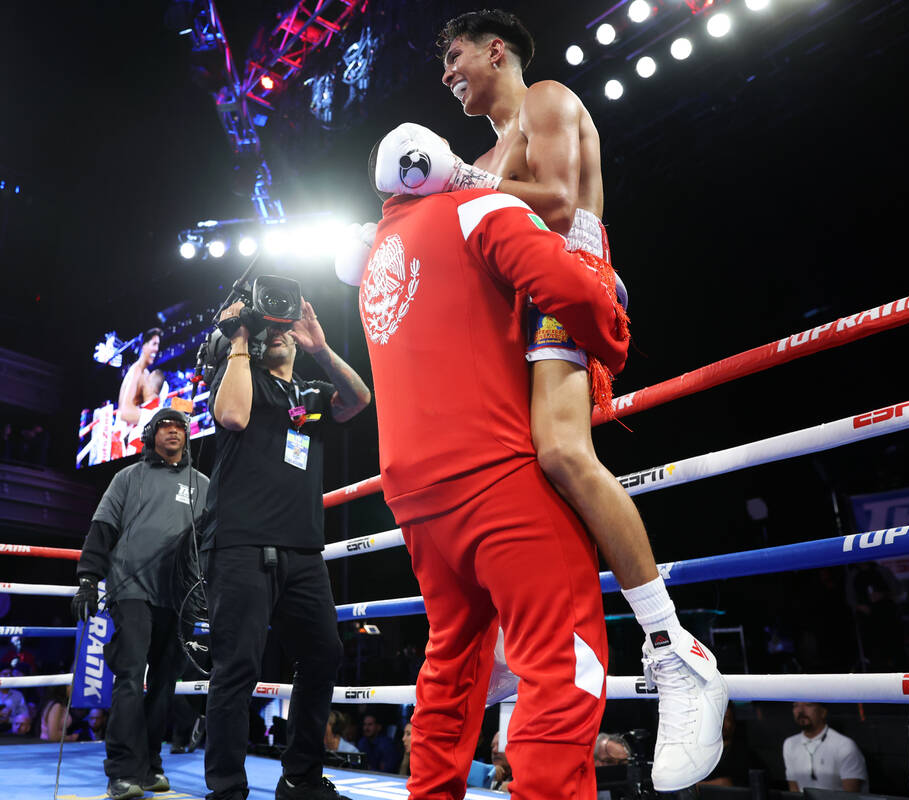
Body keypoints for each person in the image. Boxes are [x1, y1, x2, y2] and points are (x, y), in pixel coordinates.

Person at [360, 9, 726, 790]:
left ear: (498, 50)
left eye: (457, 57)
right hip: (518, 301)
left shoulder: (548, 100)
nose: (449, 73)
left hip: (570, 281)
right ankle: (501, 661)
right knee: (515, 473)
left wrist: (463, 180)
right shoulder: (487, 155)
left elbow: (558, 205)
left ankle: (673, 647)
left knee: (559, 452)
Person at [355, 149, 643, 798]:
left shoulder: (379, 252)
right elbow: (569, 288)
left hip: (415, 498)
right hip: (493, 472)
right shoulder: (476, 208)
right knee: (561, 662)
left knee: (452, 663)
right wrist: (613, 328)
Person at [202, 297, 370, 800]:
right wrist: (238, 338)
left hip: (302, 549)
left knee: (323, 654)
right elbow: (231, 417)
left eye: (283, 328)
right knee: (237, 667)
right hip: (240, 542)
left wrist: (320, 347)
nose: (278, 332)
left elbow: (360, 398)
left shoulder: (312, 394)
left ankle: (299, 778)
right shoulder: (240, 378)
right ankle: (228, 788)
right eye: (267, 329)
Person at [72, 407, 210, 800]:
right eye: (165, 427)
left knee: (166, 683)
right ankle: (121, 771)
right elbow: (102, 529)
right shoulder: (128, 477)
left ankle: (150, 766)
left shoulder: (202, 484)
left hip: (180, 597)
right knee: (131, 677)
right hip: (131, 589)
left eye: (180, 428)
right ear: (151, 435)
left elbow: (213, 543)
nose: (174, 433)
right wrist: (87, 580)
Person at [781, 702, 868, 791]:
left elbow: (850, 795)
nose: (801, 710)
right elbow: (794, 789)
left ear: (823, 712)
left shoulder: (844, 745)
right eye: (796, 706)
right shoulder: (790, 744)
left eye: (808, 705)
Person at [118, 328, 162, 426]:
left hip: (137, 431)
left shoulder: (146, 373)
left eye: (158, 345)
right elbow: (125, 413)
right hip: (125, 435)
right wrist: (155, 419)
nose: (157, 349)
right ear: (144, 346)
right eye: (154, 344)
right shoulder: (136, 371)